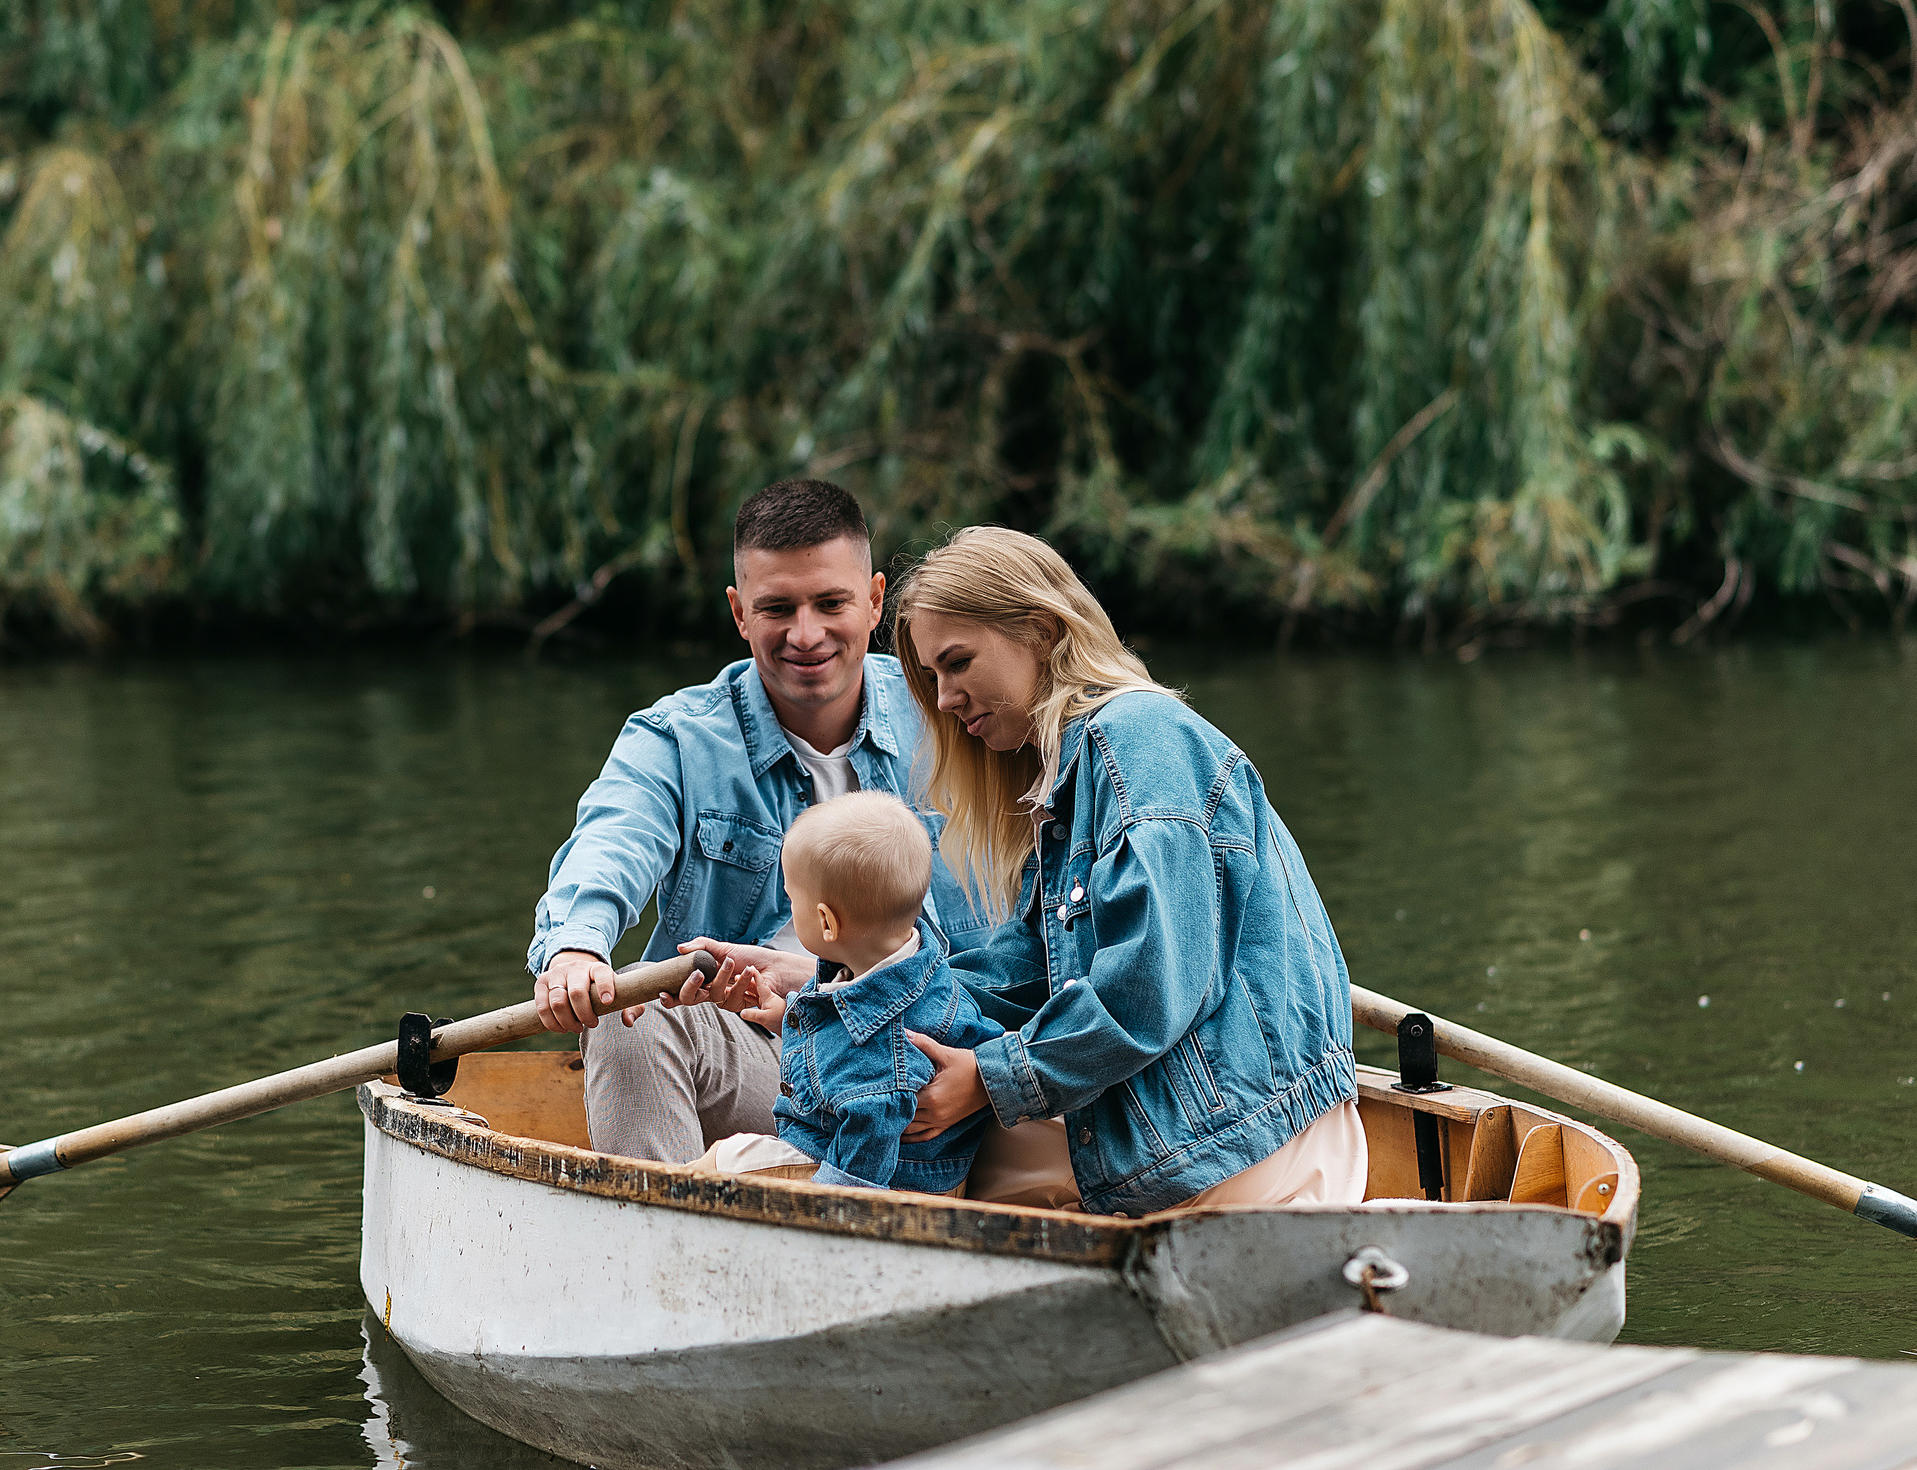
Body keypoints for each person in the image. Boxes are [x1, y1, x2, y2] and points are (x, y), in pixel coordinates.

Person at [889, 526, 1366, 1214]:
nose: (943, 699)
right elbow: (1020, 976)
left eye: (957, 663)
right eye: (932, 677)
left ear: (1042, 630)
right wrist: (862, 987)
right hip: (1202, 1135)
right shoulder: (1073, 779)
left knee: (887, 1139)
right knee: (893, 1111)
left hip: (1236, 1144)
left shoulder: (1139, 738)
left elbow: (1148, 989)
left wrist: (989, 1080)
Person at [527, 480, 984, 1162]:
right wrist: (576, 949)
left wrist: (830, 988)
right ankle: (674, 1225)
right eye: (777, 608)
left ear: (874, 600)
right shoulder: (676, 738)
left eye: (830, 603)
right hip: (773, 1065)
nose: (806, 634)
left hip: (933, 1056)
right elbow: (613, 838)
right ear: (740, 614)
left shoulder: (954, 712)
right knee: (626, 1020)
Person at [695, 793, 1003, 1193]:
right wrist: (789, 1017)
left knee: (713, 1168)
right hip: (882, 1161)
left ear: (826, 923)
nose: (790, 906)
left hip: (875, 1180)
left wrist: (828, 1209)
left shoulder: (885, 1046)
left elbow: (863, 1160)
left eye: (792, 898)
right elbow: (844, 1030)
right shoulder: (904, 970)